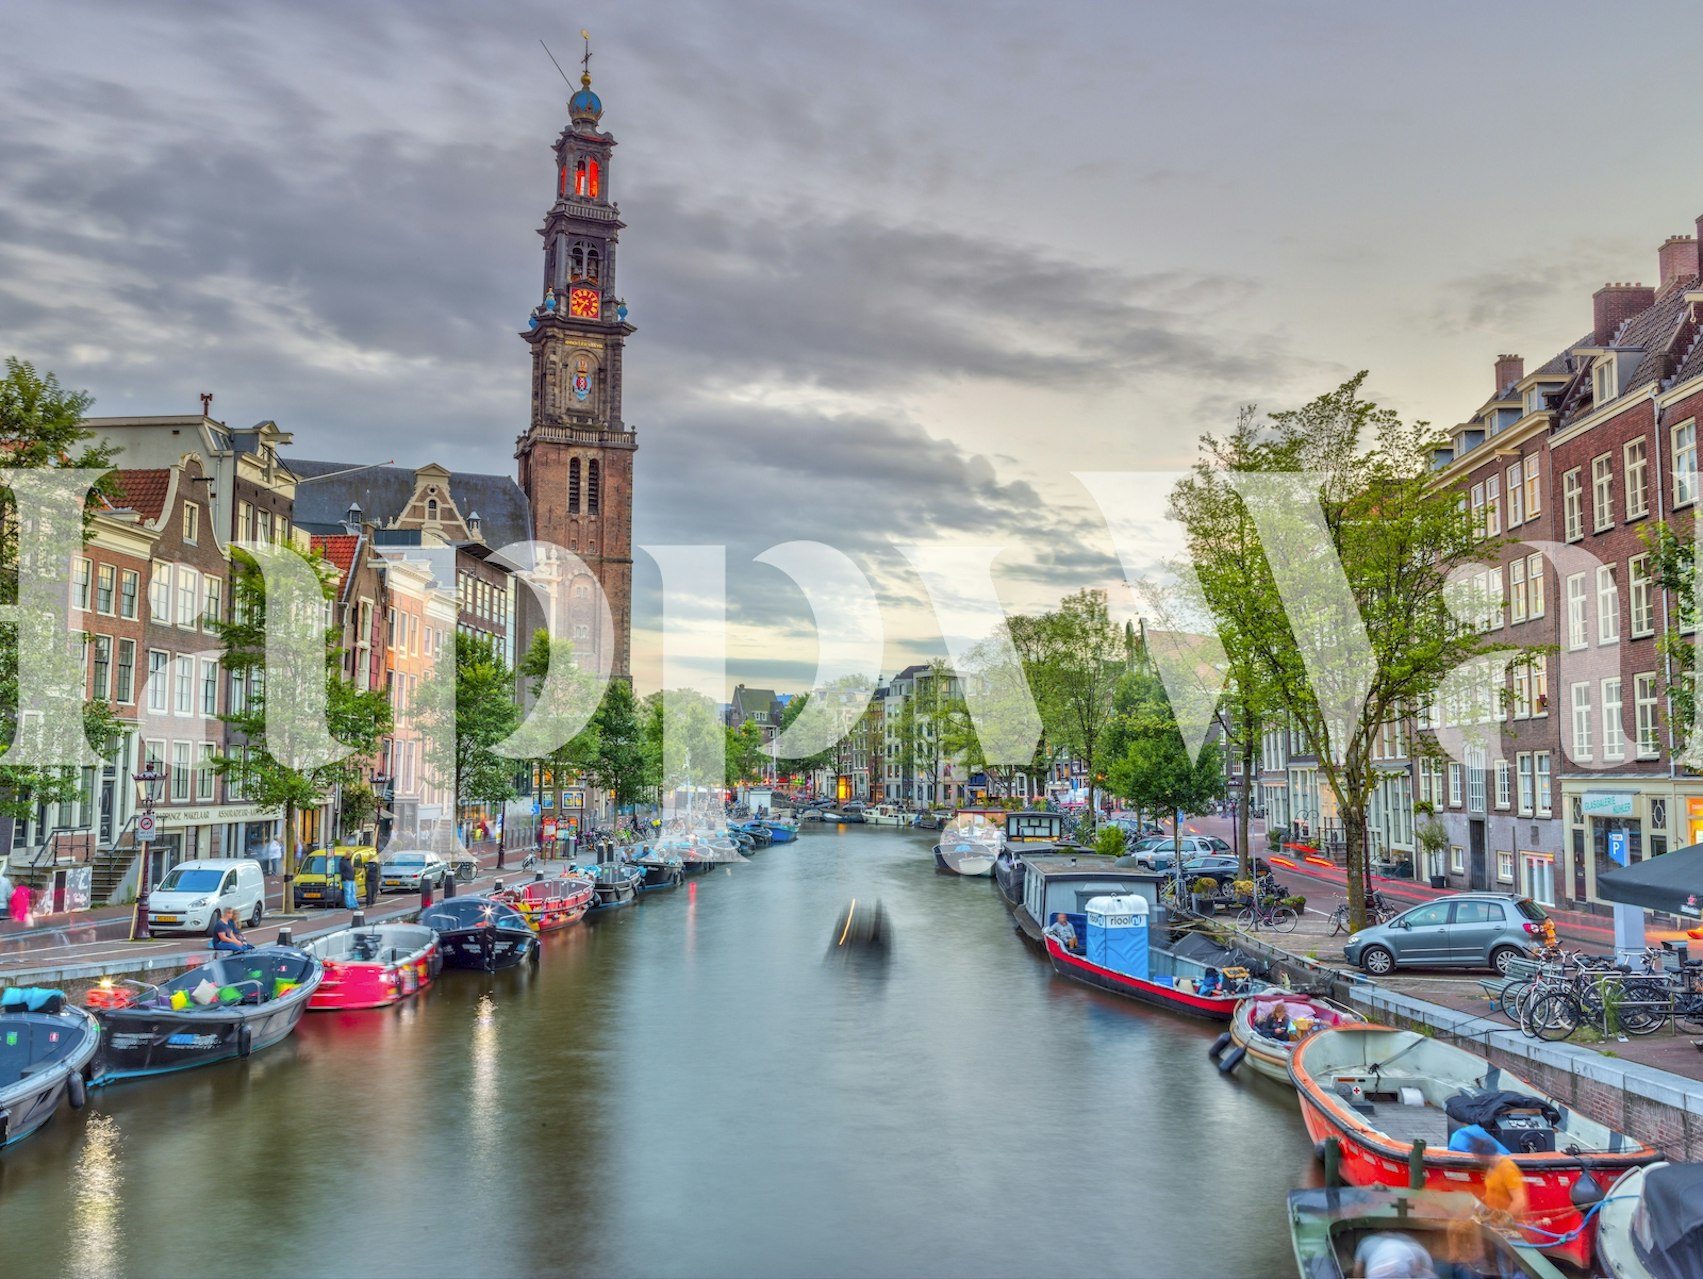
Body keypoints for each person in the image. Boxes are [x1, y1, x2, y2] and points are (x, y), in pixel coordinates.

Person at [1352, 1231, 1436, 1278]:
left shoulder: (1366, 1241)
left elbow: (1357, 1272)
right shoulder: (1411, 1244)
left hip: (1375, 1272)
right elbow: (1421, 1269)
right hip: (1400, 1267)